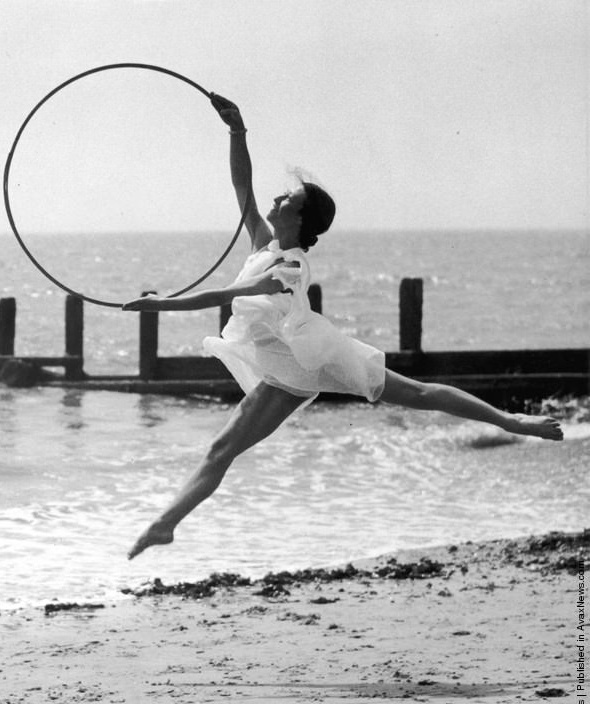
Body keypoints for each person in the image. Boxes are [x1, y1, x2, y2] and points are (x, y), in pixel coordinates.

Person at [123, 94, 563, 561]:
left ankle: (514, 421)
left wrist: (160, 305)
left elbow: (221, 297)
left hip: (317, 355)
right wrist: (237, 131)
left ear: (300, 218)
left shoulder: (289, 266)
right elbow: (243, 189)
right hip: (283, 374)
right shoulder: (262, 242)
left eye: (287, 199)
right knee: (221, 449)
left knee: (418, 393)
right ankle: (165, 525)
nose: (275, 199)